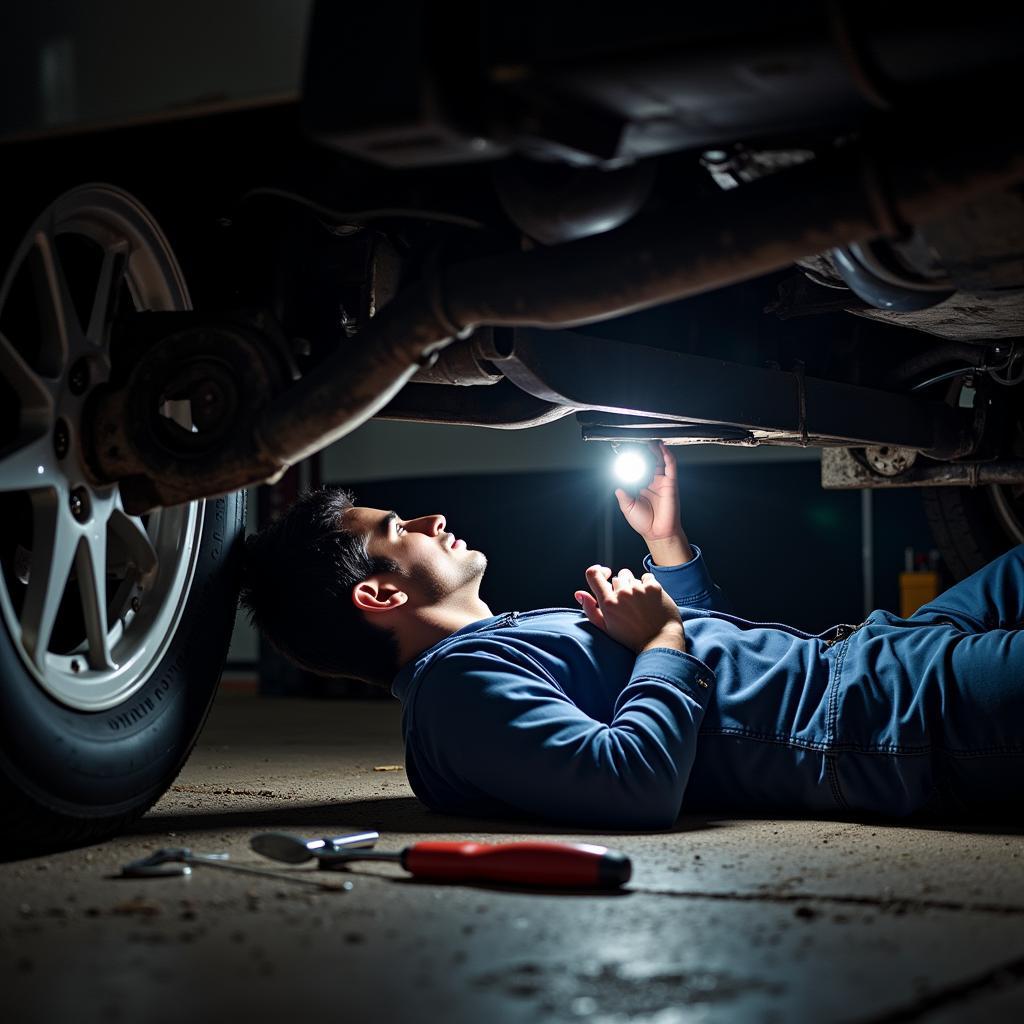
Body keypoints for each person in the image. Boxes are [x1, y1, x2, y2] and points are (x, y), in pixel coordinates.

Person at [239, 444, 1024, 828]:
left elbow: (710, 671)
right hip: (897, 719)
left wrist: (670, 552)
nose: (428, 520)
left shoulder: (493, 647)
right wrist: (658, 642)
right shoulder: (455, 695)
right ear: (380, 593)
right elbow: (631, 782)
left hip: (886, 653)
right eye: (396, 530)